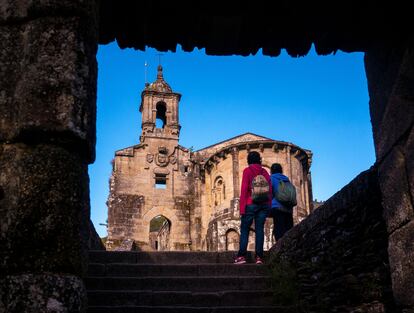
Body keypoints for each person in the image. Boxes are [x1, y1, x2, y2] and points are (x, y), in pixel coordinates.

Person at [234, 151, 272, 265]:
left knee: (245, 230)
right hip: (263, 205)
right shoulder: (265, 172)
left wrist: (242, 208)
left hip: (250, 204)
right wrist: (268, 206)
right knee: (259, 230)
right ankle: (259, 257)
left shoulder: (247, 171)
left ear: (249, 160)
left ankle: (241, 256)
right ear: (259, 160)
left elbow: (244, 189)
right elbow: (270, 190)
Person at [270, 163, 294, 240]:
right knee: (289, 230)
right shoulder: (286, 179)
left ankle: (281, 250)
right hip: (288, 208)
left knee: (279, 229)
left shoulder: (271, 178)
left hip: (277, 207)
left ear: (271, 171)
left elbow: (269, 193)